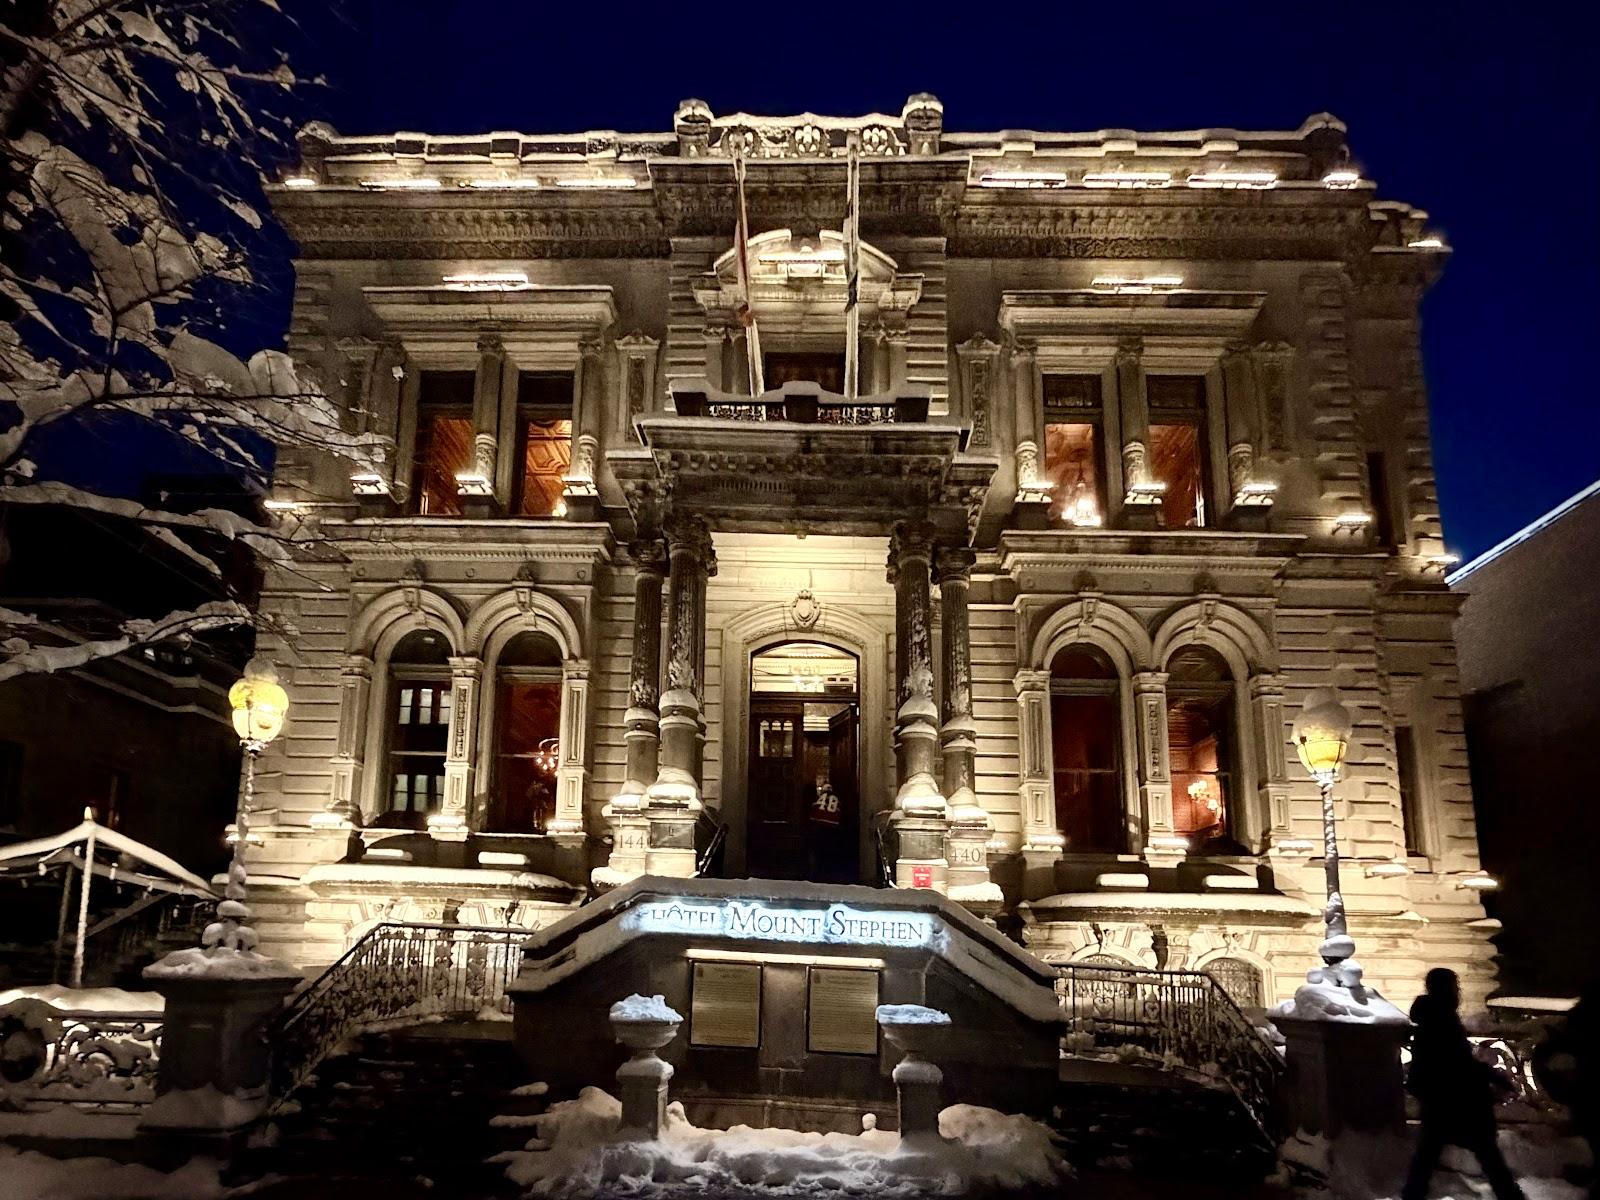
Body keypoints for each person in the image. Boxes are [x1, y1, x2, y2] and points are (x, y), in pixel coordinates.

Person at [1402, 967, 1526, 1200]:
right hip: (1458, 1100)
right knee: (1487, 1154)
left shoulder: (1432, 1018)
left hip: (1439, 1098)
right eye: (1455, 986)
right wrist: (1493, 1076)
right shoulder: (1443, 1020)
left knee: (1428, 1156)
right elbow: (1458, 1062)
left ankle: (1412, 1196)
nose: (1458, 991)